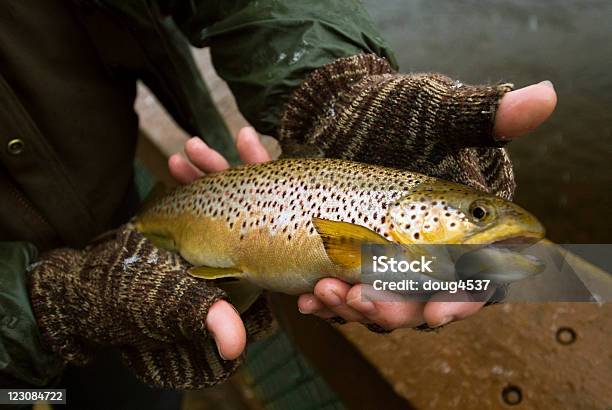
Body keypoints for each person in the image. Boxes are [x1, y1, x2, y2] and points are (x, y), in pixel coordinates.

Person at [0, 0, 556, 407]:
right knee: (29, 398)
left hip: (119, 216)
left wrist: (325, 83)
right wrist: (47, 307)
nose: (483, 220)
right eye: (476, 215)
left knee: (128, 400)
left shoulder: (402, 249)